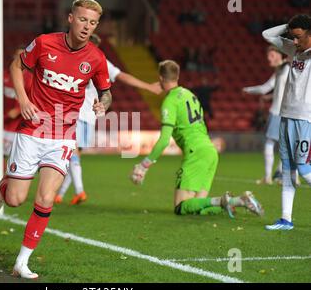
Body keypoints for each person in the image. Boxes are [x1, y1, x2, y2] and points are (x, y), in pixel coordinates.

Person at [0, 0, 112, 279]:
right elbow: (16, 67)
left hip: (63, 137)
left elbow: (106, 91)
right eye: (82, 20)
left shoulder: (96, 58)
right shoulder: (44, 43)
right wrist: (22, 99)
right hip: (32, 131)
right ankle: (4, 186)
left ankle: (22, 261)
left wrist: (103, 104)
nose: (86, 26)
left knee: (45, 198)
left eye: (92, 23)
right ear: (70, 18)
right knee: (16, 199)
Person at [130, 60, 264, 217]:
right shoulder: (190, 94)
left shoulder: (170, 101)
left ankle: (227, 201)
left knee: (181, 207)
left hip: (196, 153)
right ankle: (238, 202)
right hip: (209, 151)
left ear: (160, 78)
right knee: (196, 208)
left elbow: (164, 140)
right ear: (178, 76)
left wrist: (144, 165)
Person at [54, 33, 161, 205]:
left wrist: (147, 86)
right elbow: (121, 76)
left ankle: (79, 191)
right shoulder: (97, 60)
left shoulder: (93, 59)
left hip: (78, 114)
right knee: (72, 155)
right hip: (88, 117)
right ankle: (61, 194)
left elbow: (121, 76)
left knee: (70, 154)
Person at [262, 14, 311, 231]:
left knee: (303, 167)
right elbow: (267, 35)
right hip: (286, 115)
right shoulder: (294, 50)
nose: (295, 41)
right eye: (293, 37)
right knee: (288, 169)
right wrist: (289, 27)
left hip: (305, 119)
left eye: (299, 37)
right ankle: (285, 219)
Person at [242, 46, 290, 185]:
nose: (269, 59)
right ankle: (281, 175)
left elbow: (264, 88)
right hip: (288, 112)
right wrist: (270, 97)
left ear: (280, 55)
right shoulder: (283, 69)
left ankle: (268, 177)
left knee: (269, 143)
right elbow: (278, 90)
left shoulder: (285, 68)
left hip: (277, 112)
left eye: (272, 55)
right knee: (286, 145)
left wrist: (247, 90)